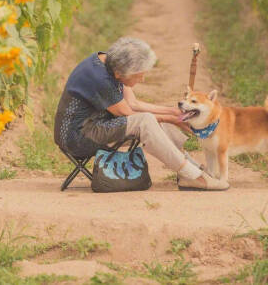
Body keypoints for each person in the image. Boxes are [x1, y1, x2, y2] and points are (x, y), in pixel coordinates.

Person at [54, 37, 229, 191]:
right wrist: (173, 119)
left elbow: (134, 104)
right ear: (120, 73)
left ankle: (189, 167)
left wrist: (173, 112)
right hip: (77, 136)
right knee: (146, 121)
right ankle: (193, 177)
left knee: (152, 118)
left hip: (94, 124)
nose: (142, 80)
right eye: (139, 76)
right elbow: (130, 114)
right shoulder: (100, 78)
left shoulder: (113, 62)